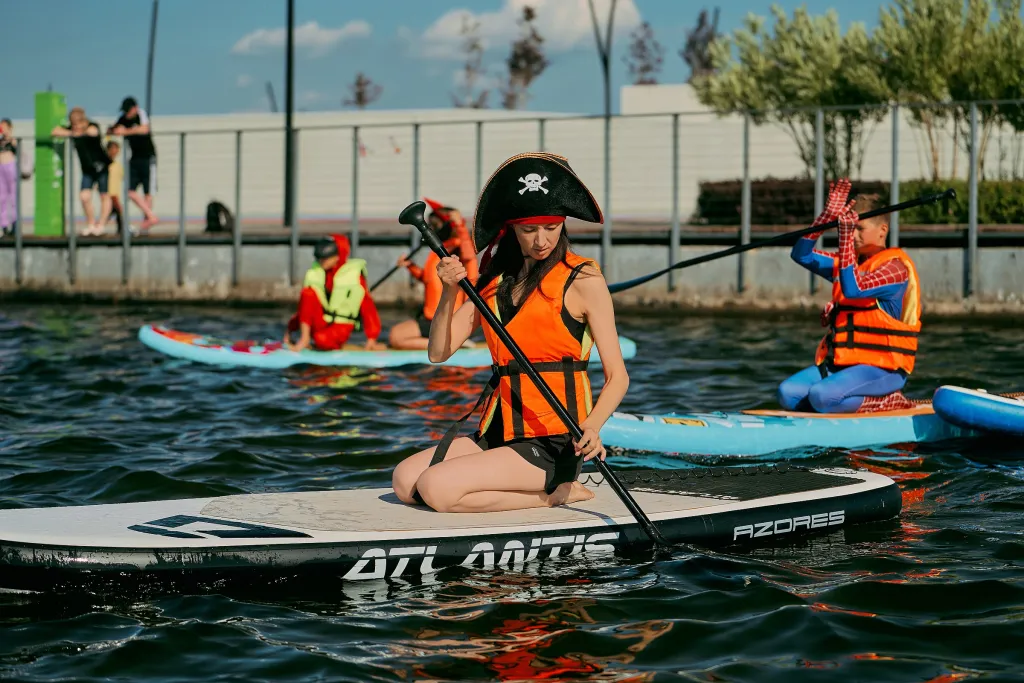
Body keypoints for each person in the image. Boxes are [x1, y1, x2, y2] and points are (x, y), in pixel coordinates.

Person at [392, 152, 630, 513]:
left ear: (562, 225)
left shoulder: (584, 279)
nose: (540, 240)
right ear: (512, 230)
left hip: (556, 440)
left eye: (551, 228)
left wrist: (593, 428)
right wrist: (450, 290)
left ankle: (557, 493)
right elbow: (438, 353)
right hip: (498, 431)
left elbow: (618, 377)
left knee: (436, 489)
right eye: (529, 230)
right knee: (405, 481)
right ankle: (538, 490)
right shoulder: (494, 283)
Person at [778, 178, 921, 414]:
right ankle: (833, 405)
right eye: (850, 229)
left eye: (859, 229)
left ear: (882, 230)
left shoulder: (895, 269)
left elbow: (854, 288)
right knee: (787, 393)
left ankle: (886, 401)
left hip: (883, 369)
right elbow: (801, 255)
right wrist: (826, 218)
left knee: (820, 395)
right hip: (843, 364)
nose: (853, 235)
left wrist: (843, 238)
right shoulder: (844, 263)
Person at [389, 197, 479, 350]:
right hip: (431, 316)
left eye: (434, 225)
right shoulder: (440, 248)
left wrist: (460, 225)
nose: (430, 228)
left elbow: (469, 256)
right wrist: (410, 266)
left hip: (449, 317)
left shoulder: (459, 247)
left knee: (395, 337)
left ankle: (451, 345)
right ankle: (446, 344)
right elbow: (428, 279)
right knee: (395, 334)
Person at [285, 234, 385, 352]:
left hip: (341, 324)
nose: (321, 262)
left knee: (321, 340)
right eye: (319, 258)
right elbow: (305, 307)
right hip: (322, 321)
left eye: (325, 258)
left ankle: (324, 344)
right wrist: (290, 329)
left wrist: (371, 338)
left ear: (337, 256)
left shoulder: (354, 277)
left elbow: (368, 307)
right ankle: (305, 338)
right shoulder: (318, 273)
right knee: (308, 293)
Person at [51, 107, 112, 236]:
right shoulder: (73, 130)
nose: (75, 127)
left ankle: (101, 225)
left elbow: (93, 132)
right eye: (72, 124)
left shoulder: (92, 126)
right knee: (84, 197)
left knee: (104, 196)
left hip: (101, 167)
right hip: (87, 170)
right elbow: (55, 131)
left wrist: (81, 131)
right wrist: (73, 133)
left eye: (77, 124)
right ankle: (91, 224)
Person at [108, 96, 158, 232]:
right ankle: (151, 216)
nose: (126, 114)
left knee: (148, 192)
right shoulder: (123, 118)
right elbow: (113, 128)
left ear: (135, 108)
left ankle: (147, 222)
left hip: (148, 157)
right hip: (135, 158)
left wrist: (125, 131)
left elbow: (144, 129)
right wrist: (114, 130)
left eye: (128, 111)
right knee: (130, 191)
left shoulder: (141, 114)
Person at [104, 140, 125, 234]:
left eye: (117, 148)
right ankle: (121, 231)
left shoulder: (118, 165)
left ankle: (120, 230)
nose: (116, 151)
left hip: (115, 193)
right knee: (116, 212)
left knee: (115, 213)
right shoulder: (106, 165)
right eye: (113, 148)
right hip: (109, 194)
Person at [0, 119, 16, 237]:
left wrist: (9, 136)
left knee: (13, 197)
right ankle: (3, 225)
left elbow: (17, 148)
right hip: (1, 168)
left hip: (10, 167)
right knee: (2, 198)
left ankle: (15, 224)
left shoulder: (12, 140)